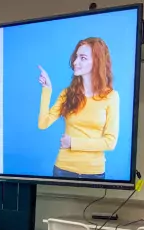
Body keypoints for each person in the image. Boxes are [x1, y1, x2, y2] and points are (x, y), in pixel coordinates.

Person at [38, 37, 119, 179]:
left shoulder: (111, 96)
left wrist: (73, 143)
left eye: (82, 58)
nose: (75, 62)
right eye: (76, 57)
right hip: (63, 168)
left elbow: (110, 142)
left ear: (97, 61)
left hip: (95, 172)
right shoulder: (67, 94)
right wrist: (47, 90)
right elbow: (43, 123)